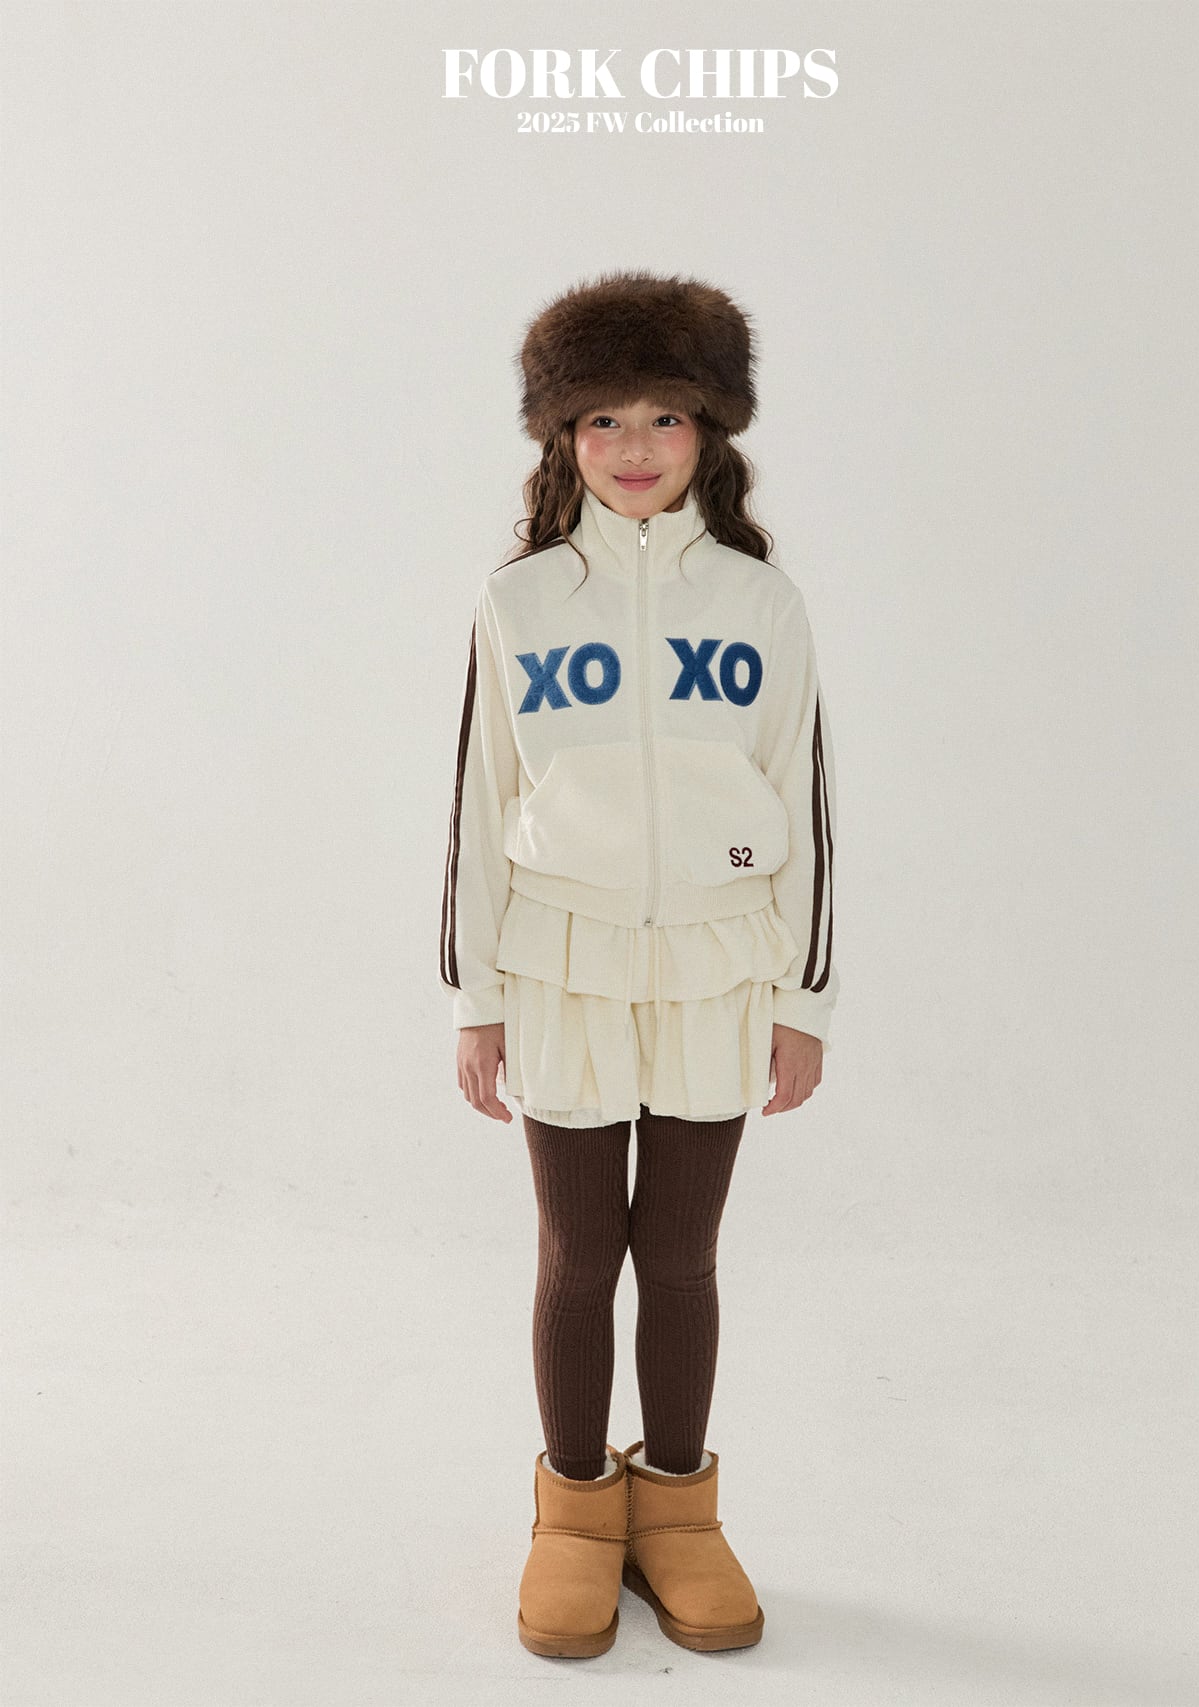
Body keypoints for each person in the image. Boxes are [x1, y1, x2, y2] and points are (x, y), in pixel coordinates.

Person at [438, 270, 838, 1658]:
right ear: (562, 436)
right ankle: (571, 1515)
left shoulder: (762, 603)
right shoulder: (519, 602)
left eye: (664, 416)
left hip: (721, 973)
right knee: (574, 1256)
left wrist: (803, 999)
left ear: (709, 432)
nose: (634, 446)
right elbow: (480, 803)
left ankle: (677, 1512)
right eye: (603, 418)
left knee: (677, 1257)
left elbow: (807, 806)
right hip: (561, 969)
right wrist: (477, 1000)